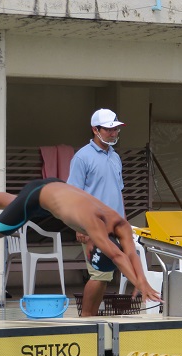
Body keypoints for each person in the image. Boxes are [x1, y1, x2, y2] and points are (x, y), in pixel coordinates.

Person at [0, 178, 162, 305]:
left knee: (16, 204)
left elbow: (129, 253)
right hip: (40, 195)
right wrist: (138, 284)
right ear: (97, 243)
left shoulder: (119, 224)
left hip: (55, 190)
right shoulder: (93, 223)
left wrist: (142, 281)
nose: (88, 251)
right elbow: (116, 255)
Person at [68, 108, 129, 316]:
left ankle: (91, 317)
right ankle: (86, 318)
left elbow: (118, 192)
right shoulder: (82, 157)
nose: (114, 133)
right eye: (109, 129)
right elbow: (73, 195)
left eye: (116, 129)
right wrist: (79, 227)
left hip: (112, 227)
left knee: (105, 274)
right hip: (92, 226)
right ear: (95, 130)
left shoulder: (115, 157)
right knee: (98, 274)